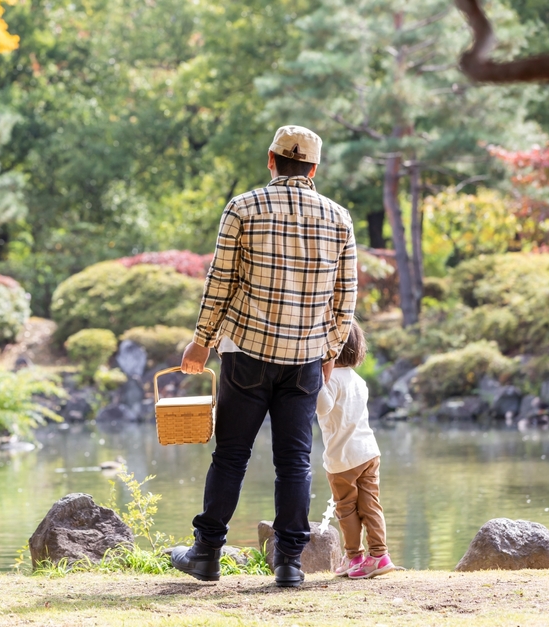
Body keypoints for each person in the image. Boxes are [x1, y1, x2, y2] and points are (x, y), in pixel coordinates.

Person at [170, 125, 357, 587]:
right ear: (313, 169)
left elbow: (221, 281)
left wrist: (202, 341)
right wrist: (330, 350)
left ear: (271, 160)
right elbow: (345, 297)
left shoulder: (242, 207)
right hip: (305, 357)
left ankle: (206, 553)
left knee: (231, 455)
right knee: (294, 461)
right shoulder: (339, 218)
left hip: (246, 353)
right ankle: (290, 562)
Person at [316, 320, 395, 579]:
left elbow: (322, 407)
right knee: (371, 505)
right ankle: (380, 555)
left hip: (343, 458)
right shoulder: (358, 380)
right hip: (369, 452)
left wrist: (317, 380)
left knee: (346, 508)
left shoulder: (329, 380)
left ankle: (354, 556)